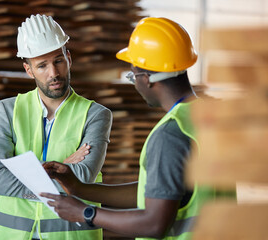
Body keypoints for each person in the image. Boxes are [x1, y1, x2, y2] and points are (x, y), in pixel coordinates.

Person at [41, 17, 215, 240]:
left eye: (133, 76)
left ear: (147, 79)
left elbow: (154, 223)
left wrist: (85, 212)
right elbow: (158, 191)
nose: (135, 83)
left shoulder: (170, 134)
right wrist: (79, 188)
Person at [0, 14, 112, 240]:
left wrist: (26, 177)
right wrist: (63, 168)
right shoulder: (8, 111)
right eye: (42, 65)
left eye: (58, 60)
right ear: (28, 70)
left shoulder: (96, 114)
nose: (53, 73)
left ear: (68, 58)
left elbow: (83, 178)